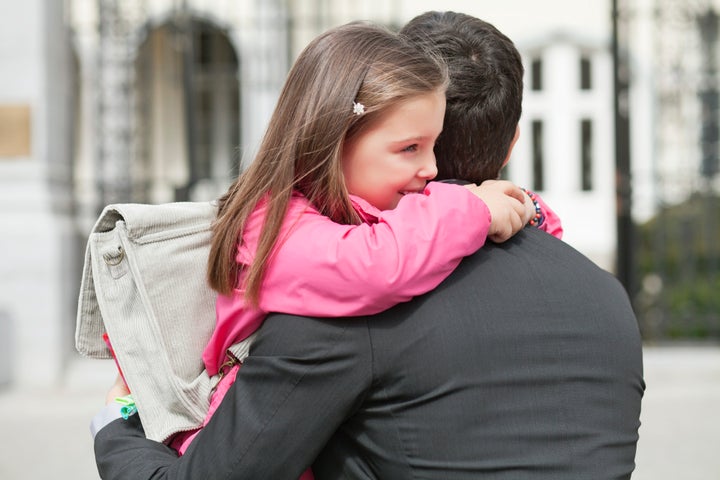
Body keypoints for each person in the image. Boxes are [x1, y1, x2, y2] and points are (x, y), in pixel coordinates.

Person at [92, 11, 644, 480]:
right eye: (408, 146)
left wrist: (115, 432)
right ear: (514, 139)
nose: (425, 165)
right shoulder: (602, 296)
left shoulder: (344, 311)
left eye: (424, 146)